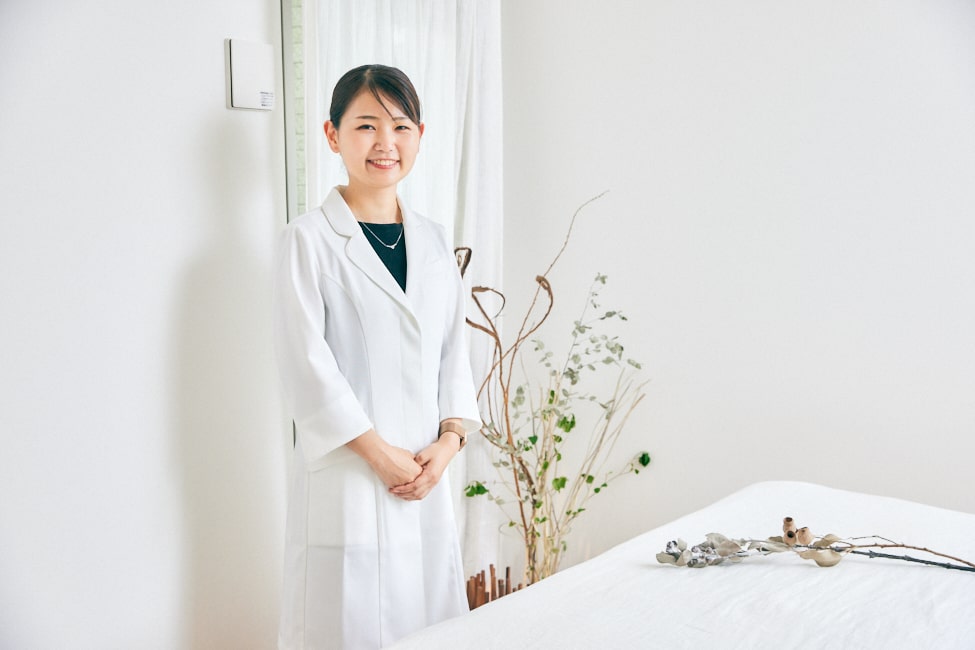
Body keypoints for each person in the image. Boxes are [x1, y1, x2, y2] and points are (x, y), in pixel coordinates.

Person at [272, 64, 482, 649]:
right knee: (348, 623)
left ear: (420, 135)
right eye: (366, 125)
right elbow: (305, 365)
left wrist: (450, 442)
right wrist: (378, 453)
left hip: (424, 474)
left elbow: (453, 352)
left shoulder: (435, 241)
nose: (385, 142)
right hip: (351, 475)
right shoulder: (308, 240)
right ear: (332, 134)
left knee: (429, 622)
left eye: (400, 126)